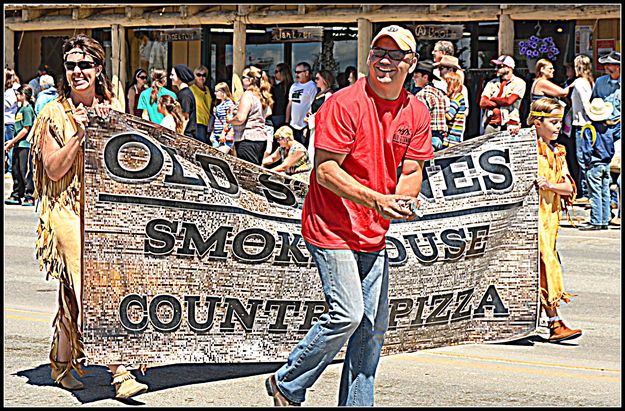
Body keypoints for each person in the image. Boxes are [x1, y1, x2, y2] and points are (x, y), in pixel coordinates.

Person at [265, 25, 432, 407]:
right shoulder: (342, 103)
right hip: (330, 227)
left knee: (372, 331)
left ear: (411, 63)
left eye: (394, 54)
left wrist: (401, 202)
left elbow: (411, 172)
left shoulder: (416, 111)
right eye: (377, 52)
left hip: (373, 231)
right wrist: (377, 200)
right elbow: (324, 171)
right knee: (347, 314)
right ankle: (287, 381)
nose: (384, 60)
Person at [27, 34, 148, 399]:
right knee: (90, 286)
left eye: (84, 65)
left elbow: (132, 164)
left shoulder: (112, 108)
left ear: (98, 69)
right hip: (64, 210)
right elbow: (51, 169)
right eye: (70, 66)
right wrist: (81, 135)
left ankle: (62, 363)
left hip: (104, 211)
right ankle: (120, 370)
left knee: (75, 291)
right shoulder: (52, 113)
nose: (77, 71)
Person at [529, 97, 582, 342]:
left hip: (550, 218)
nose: (558, 127)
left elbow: (569, 187)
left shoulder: (557, 151)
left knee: (545, 263)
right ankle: (554, 321)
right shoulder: (527, 148)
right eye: (552, 122)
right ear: (537, 123)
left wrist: (550, 185)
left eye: (559, 121)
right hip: (529, 218)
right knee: (544, 263)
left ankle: (547, 320)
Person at [578, 98, 616, 231]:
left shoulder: (589, 130)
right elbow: (612, 149)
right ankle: (604, 219)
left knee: (595, 194)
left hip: (594, 165)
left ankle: (596, 220)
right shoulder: (609, 130)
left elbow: (586, 150)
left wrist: (587, 163)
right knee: (605, 193)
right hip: (605, 165)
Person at [227, 66, 272, 165]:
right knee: (255, 172)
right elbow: (269, 112)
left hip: (247, 139)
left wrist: (229, 120)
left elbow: (240, 118)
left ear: (250, 80)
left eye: (243, 77)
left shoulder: (248, 94)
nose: (242, 80)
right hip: (261, 140)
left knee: (247, 174)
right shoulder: (262, 95)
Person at [4, 84, 36, 206]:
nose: (16, 96)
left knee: (25, 171)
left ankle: (29, 195)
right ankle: (17, 193)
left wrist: (11, 141)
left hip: (25, 144)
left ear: (23, 96)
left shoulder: (27, 109)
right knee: (16, 170)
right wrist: (13, 142)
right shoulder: (20, 109)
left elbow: (25, 129)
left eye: (18, 94)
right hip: (18, 144)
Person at [479, 55, 526, 136]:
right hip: (491, 122)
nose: (496, 69)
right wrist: (499, 101)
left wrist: (492, 99)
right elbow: (482, 103)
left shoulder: (519, 83)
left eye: (499, 66)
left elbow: (509, 101)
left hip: (510, 124)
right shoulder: (491, 83)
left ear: (509, 67)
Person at [569, 55, 594, 202]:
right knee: (586, 158)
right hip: (586, 123)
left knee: (583, 158)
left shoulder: (579, 82)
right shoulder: (589, 81)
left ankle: (586, 193)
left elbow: (586, 104)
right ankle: (585, 191)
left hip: (583, 124)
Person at [414, 60, 449, 151]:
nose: (414, 79)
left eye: (416, 76)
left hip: (428, 137)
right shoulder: (438, 92)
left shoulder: (422, 94)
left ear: (425, 77)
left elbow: (420, 120)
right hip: (440, 138)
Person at [286, 62, 317, 147]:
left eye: (299, 72)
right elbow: (290, 104)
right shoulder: (294, 86)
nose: (296, 74)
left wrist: (307, 126)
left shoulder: (312, 87)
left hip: (304, 126)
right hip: (293, 125)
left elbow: (312, 106)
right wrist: (286, 122)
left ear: (307, 73)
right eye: (295, 72)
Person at [305, 69, 335, 158]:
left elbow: (327, 112)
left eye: (318, 79)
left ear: (325, 80)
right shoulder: (318, 93)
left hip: (321, 127)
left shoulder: (328, 94)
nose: (315, 81)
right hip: (314, 126)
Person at [170, 64, 197, 140]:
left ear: (180, 76)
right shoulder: (183, 93)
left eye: (172, 75)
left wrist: (180, 136)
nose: (170, 77)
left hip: (186, 135)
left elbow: (185, 118)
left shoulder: (185, 95)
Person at [210, 82, 236, 154]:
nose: (215, 93)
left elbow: (229, 120)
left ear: (223, 92)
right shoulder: (218, 104)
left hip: (225, 134)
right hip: (216, 133)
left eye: (217, 91)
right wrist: (213, 132)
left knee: (221, 155)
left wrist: (223, 133)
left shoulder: (229, 103)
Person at [443, 72, 467, 148]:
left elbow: (449, 116)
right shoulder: (457, 97)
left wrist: (439, 112)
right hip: (452, 137)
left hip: (451, 138)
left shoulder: (457, 98)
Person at [190, 65, 213, 144]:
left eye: (204, 75)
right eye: (199, 75)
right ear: (195, 76)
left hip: (207, 122)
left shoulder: (207, 89)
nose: (201, 77)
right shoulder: (191, 89)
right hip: (197, 122)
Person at [4, 69, 20, 174]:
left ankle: (10, 169)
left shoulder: (11, 91)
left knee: (9, 145)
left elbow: (9, 104)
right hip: (7, 120)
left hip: (9, 121)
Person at [270, 63, 293, 129]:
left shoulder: (279, 88)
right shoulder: (292, 86)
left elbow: (272, 99)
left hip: (278, 115)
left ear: (283, 73)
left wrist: (272, 86)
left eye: (276, 71)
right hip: (288, 116)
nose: (275, 74)